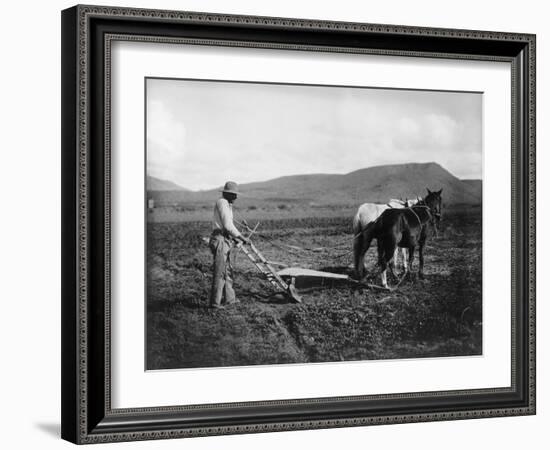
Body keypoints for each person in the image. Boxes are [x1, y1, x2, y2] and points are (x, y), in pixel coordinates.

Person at [208, 181, 250, 308]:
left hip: (225, 238)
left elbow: (228, 227)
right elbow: (227, 225)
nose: (236, 197)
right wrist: (242, 237)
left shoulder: (227, 204)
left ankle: (230, 299)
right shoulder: (222, 203)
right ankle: (215, 303)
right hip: (220, 239)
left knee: (227, 271)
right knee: (220, 272)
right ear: (227, 193)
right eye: (234, 194)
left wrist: (235, 238)